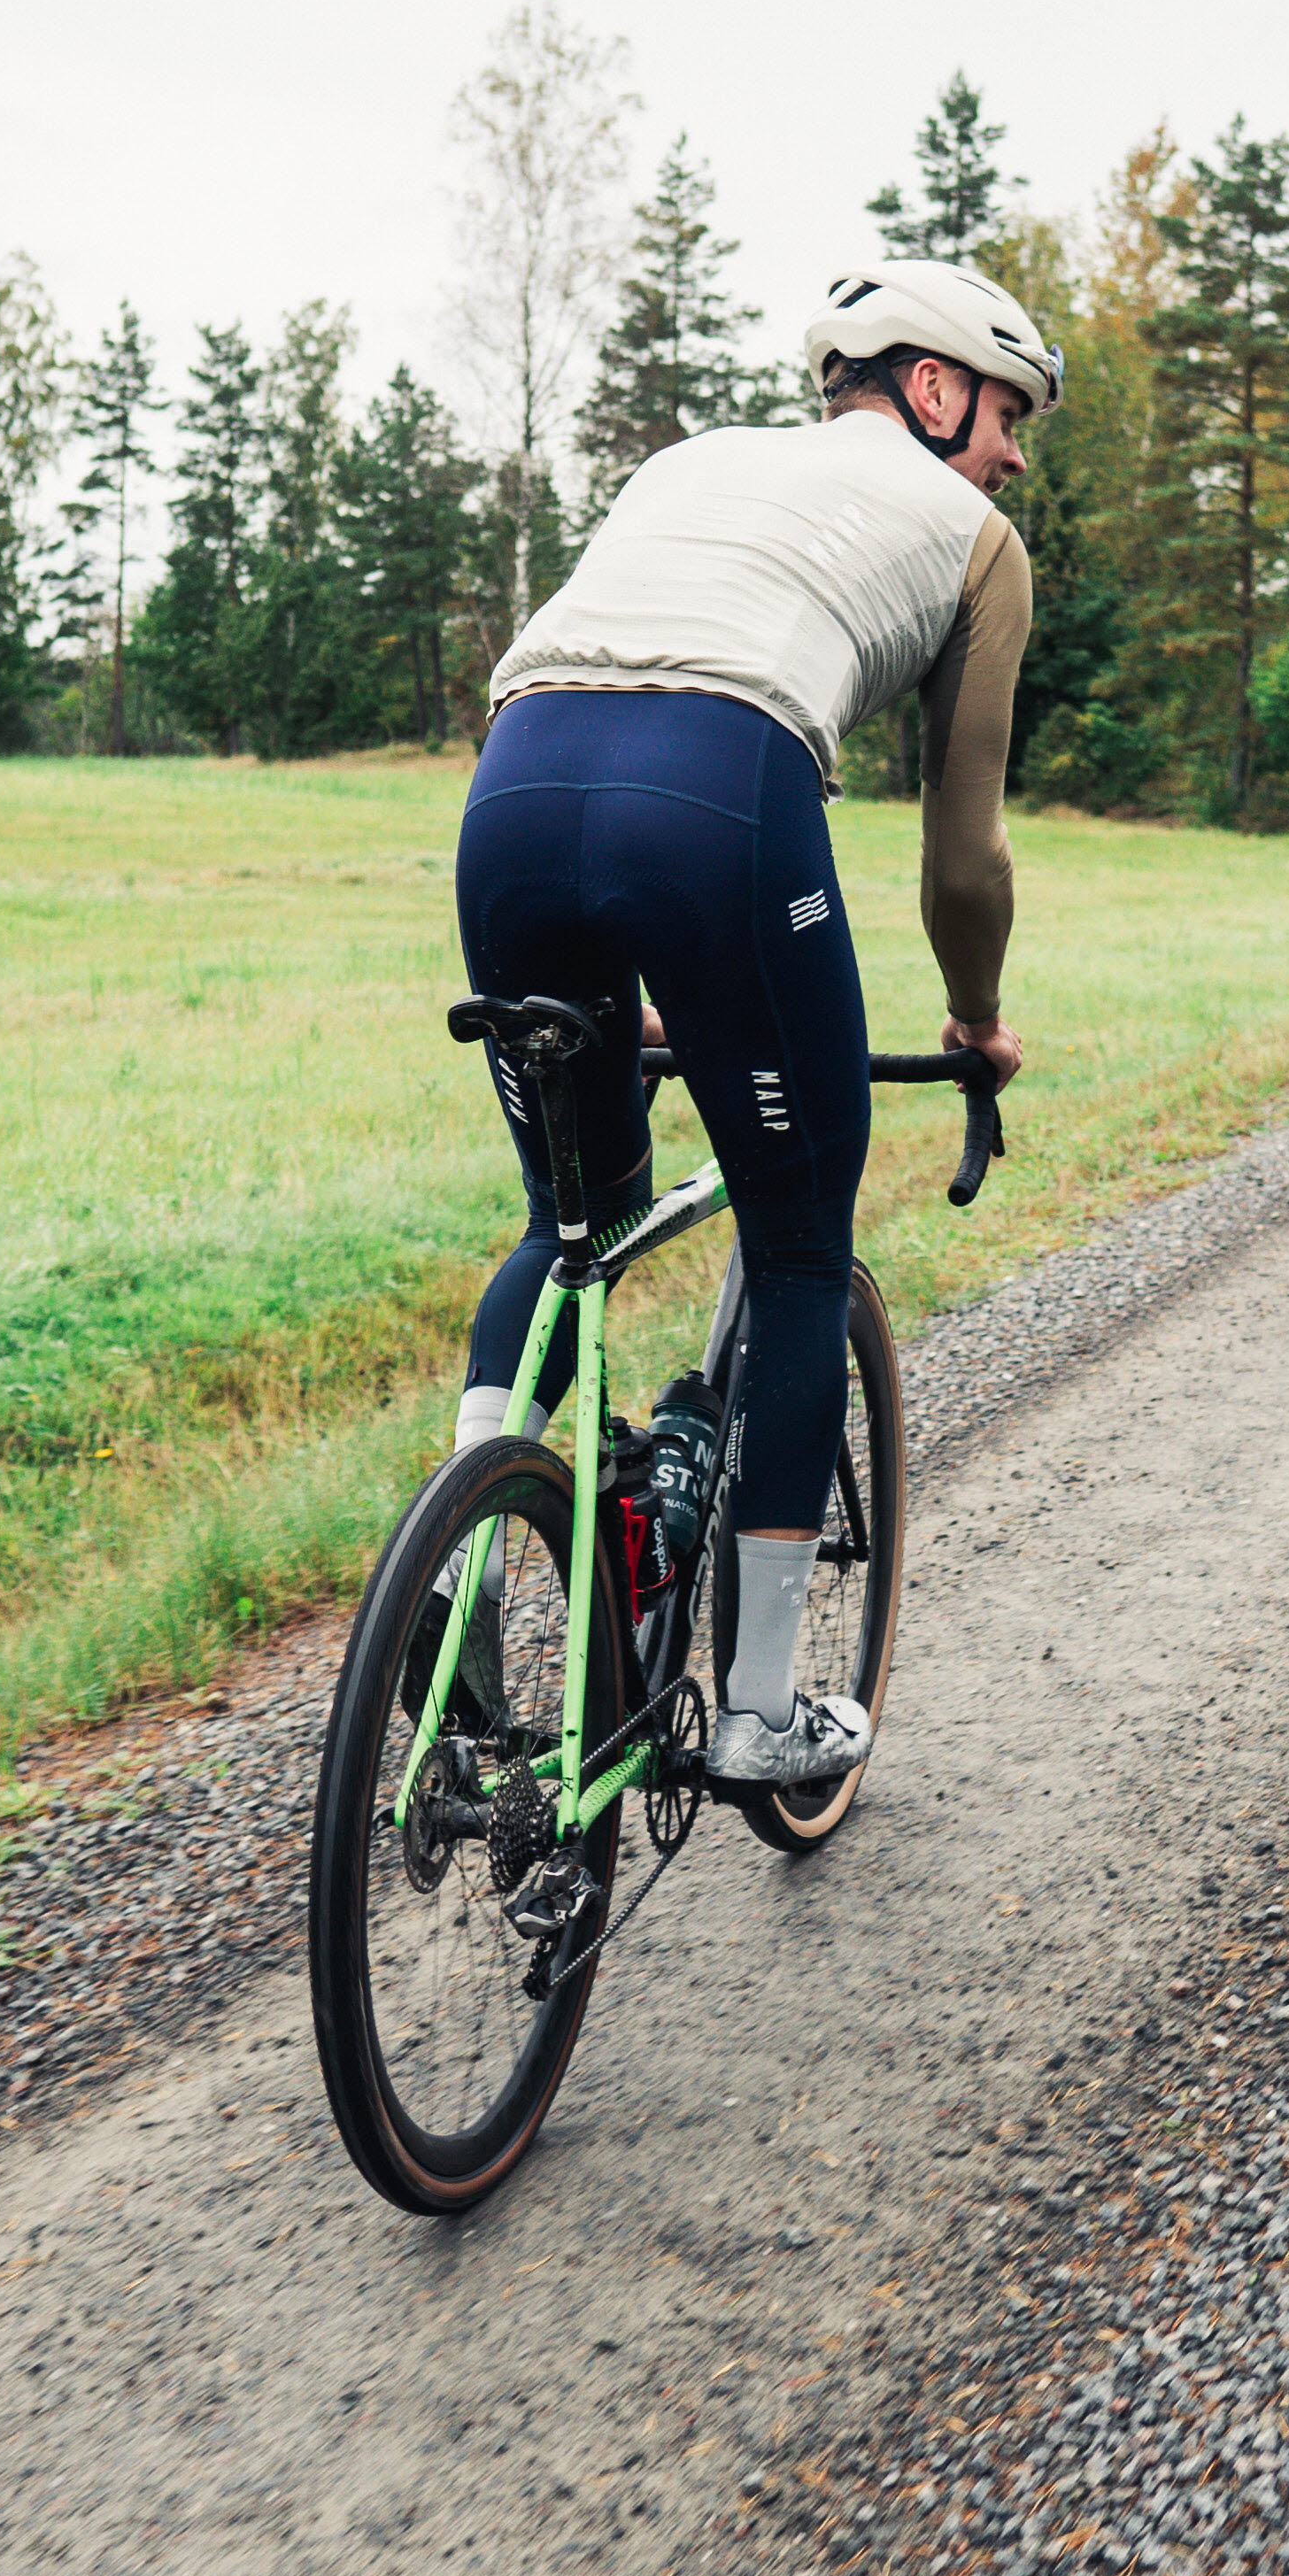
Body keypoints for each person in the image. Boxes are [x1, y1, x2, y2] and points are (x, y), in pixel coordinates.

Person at [444, 258, 1053, 1788]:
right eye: (1008, 414)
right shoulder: (980, 542)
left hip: (513, 795)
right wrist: (975, 1019)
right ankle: (762, 1710)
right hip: (719, 801)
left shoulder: (683, 465)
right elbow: (963, 851)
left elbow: (597, 679)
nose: (1014, 455)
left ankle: (452, 1592)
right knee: (795, 1243)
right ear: (931, 387)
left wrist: (621, 925)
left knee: (570, 1217)